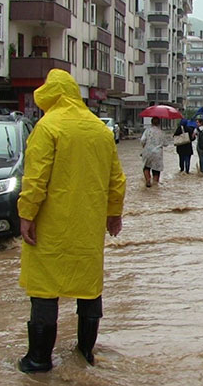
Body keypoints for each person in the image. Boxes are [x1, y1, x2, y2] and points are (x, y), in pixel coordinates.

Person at [17, 69, 126, 373]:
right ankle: (85, 354)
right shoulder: (100, 130)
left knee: (44, 289)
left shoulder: (47, 127)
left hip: (50, 225)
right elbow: (116, 179)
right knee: (89, 288)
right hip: (88, 228)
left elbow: (35, 178)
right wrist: (113, 213)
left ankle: (38, 359)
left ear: (51, 94)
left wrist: (27, 214)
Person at [140, 116, 168, 187]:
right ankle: (155, 184)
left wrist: (144, 147)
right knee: (156, 170)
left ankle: (148, 180)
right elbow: (166, 144)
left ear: (151, 123)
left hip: (148, 152)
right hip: (157, 154)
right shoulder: (161, 132)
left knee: (146, 167)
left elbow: (142, 140)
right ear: (159, 123)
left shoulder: (147, 130)